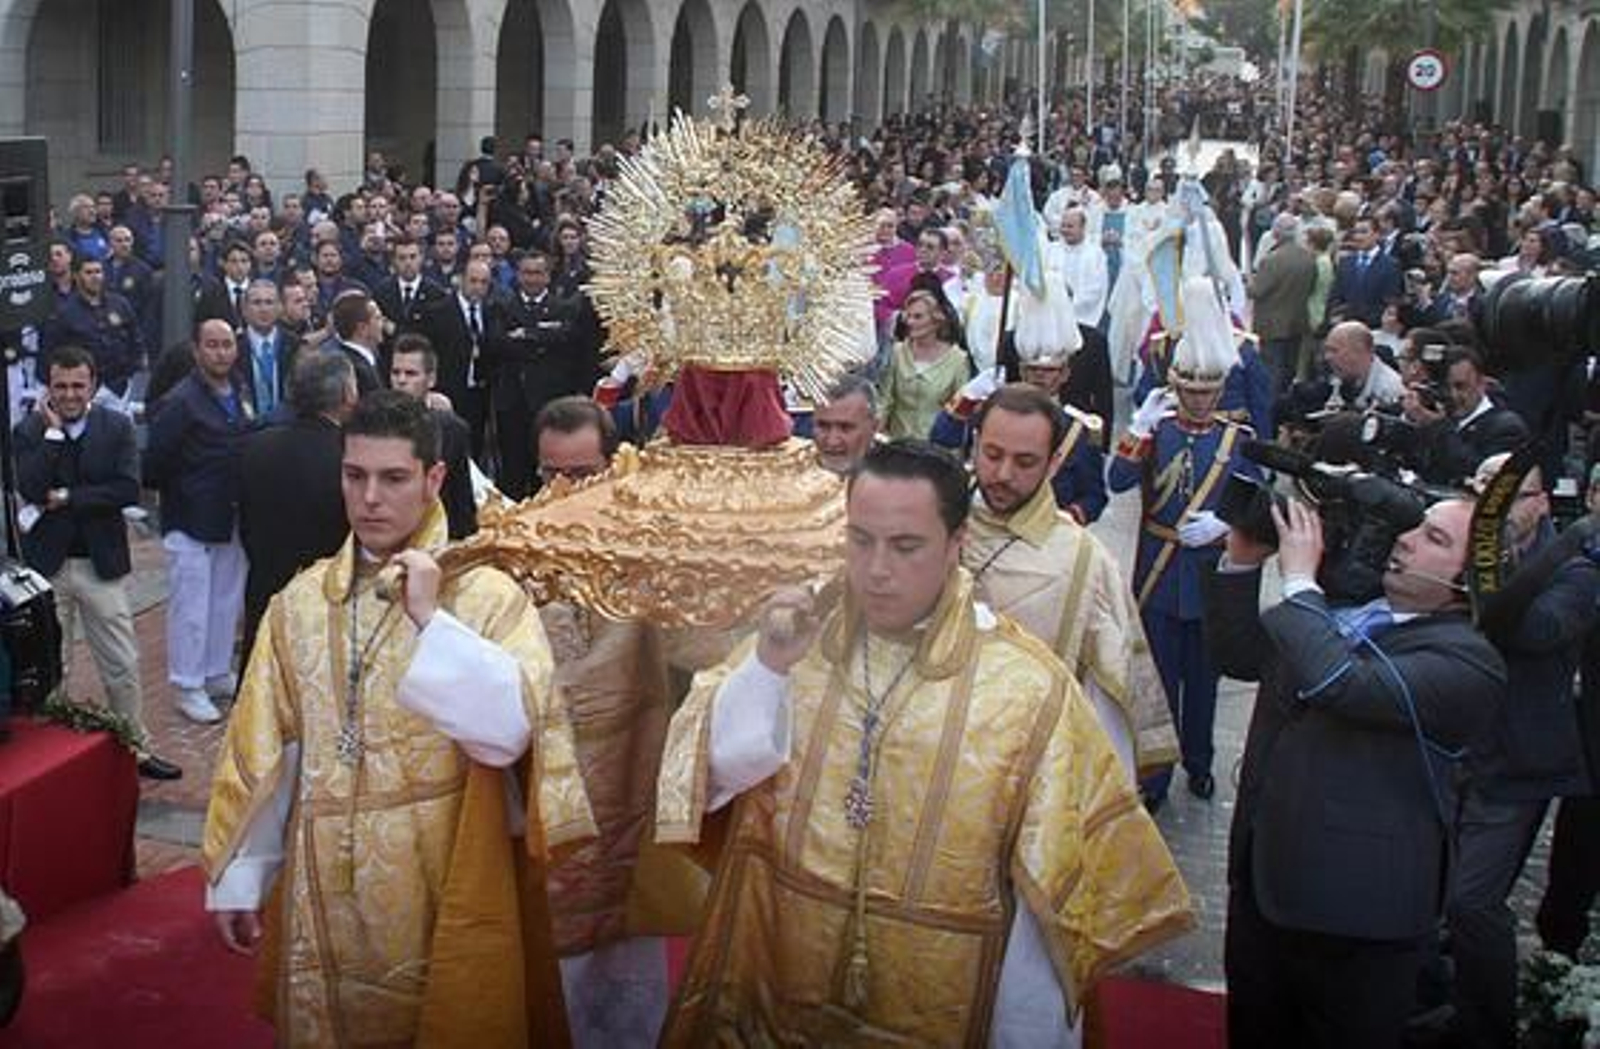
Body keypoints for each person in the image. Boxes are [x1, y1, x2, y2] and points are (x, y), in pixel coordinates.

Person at [655, 439, 1193, 1045]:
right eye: (860, 540)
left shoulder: (1026, 690)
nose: (877, 569)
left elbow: (1046, 915)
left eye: (906, 546)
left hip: (943, 991)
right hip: (780, 966)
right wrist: (769, 669)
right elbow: (708, 781)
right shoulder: (796, 644)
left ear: (956, 545)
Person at [203, 390, 596, 1046]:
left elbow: (511, 735)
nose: (370, 499)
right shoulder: (300, 604)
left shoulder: (487, 598)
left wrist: (430, 621)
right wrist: (244, 874)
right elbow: (270, 746)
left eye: (393, 478)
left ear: (434, 478)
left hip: (439, 874)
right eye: (355, 476)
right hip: (322, 880)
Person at [1206, 496, 1506, 1047]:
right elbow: (1241, 656)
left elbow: (1338, 684)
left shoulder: (1469, 661)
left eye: (1435, 539)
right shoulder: (1350, 608)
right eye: (1414, 526)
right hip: (1265, 886)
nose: (1407, 540)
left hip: (1358, 918)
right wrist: (1243, 560)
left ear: (1470, 582)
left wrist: (1300, 581)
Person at [1443, 456, 1600, 1049]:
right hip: (1453, 745)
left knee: (1472, 901)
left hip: (1517, 763)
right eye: (1485, 487)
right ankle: (1444, 1001)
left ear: (1541, 503)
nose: (1497, 503)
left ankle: (1489, 1028)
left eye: (1513, 493)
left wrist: (1491, 567)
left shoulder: (1575, 571)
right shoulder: (1453, 543)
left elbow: (1532, 631)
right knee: (1436, 895)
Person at [962, 383, 1176, 781]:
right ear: (975, 444)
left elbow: (1107, 703)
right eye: (992, 455)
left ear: (1054, 462)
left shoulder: (1084, 561)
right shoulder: (933, 521)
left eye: (1025, 462)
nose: (1003, 474)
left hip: (1024, 768)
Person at [1109, 278, 1259, 806]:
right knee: (1157, 680)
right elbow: (1117, 483)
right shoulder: (1159, 430)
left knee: (1204, 683)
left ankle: (1199, 762)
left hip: (1209, 574)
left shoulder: (1236, 440)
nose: (1198, 400)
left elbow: (1258, 502)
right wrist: (1137, 430)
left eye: (1207, 392)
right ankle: (1154, 774)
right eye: (1190, 391)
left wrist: (1228, 525)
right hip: (1159, 566)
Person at [13, 346, 179, 780]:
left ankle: (136, 748)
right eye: (60, 386)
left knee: (121, 663)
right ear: (48, 386)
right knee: (53, 668)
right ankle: (52, 756)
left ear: (92, 385)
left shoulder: (115, 426)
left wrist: (68, 498)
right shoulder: (29, 430)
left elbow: (126, 488)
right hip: (46, 569)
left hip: (98, 565)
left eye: (77, 386)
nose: (68, 394)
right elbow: (29, 486)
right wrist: (51, 438)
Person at [144, 319, 258, 724]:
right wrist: (184, 491)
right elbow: (154, 461)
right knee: (191, 605)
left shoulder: (239, 388)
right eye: (212, 345)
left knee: (226, 598)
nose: (221, 352)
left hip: (230, 514)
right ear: (197, 350)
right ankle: (187, 684)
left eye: (227, 344)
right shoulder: (182, 401)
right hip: (191, 518)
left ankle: (213, 672)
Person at [237, 352, 357, 660]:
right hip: (327, 598)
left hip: (266, 590)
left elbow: (246, 524)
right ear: (347, 394)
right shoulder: (350, 458)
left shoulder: (255, 446)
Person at [388, 334, 478, 538]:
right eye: (395, 373)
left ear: (431, 379)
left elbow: (461, 498)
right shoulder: (374, 426)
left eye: (411, 374)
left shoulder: (453, 430)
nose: (401, 380)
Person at [875, 289, 969, 440]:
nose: (910, 322)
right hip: (898, 444)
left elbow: (959, 413)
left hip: (937, 448)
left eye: (918, 317)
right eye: (908, 316)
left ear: (936, 320)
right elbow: (885, 400)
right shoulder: (897, 352)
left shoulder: (958, 360)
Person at [1247, 213, 1318, 399]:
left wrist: (1247, 281)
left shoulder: (1271, 260)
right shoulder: (1309, 258)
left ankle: (1269, 410)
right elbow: (1311, 289)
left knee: (1271, 372)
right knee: (1289, 369)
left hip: (1272, 325)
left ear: (1275, 233)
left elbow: (1256, 291)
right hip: (1297, 322)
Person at [811, 373, 881, 475]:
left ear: (874, 427)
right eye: (823, 426)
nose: (832, 442)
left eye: (845, 428)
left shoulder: (901, 479)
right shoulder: (790, 467)